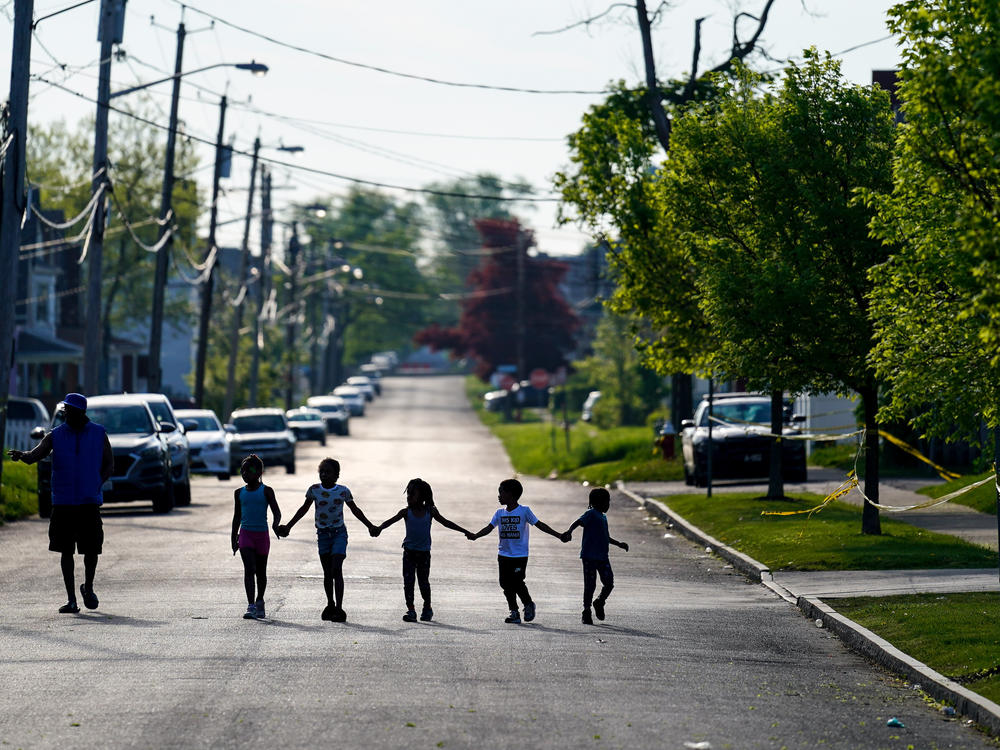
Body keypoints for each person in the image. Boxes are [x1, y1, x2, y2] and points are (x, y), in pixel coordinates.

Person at [7, 393, 113, 614]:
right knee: (66, 551)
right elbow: (35, 455)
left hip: (88, 502)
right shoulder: (55, 435)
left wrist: (96, 483)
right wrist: (22, 455)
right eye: (65, 411)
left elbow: (109, 464)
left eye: (70, 411)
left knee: (91, 550)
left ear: (81, 413)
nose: (66, 415)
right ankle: (71, 599)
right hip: (63, 502)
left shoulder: (98, 433)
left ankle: (89, 588)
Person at [277, 457, 375, 622]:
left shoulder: (343, 491)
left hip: (339, 534)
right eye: (321, 471)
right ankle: (330, 604)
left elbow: (355, 510)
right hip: (323, 536)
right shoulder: (314, 490)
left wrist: (370, 526)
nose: (324, 474)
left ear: (337, 475)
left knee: (337, 569)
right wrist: (289, 526)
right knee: (328, 573)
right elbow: (303, 509)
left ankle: (339, 608)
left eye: (328, 472)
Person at [371, 478, 471, 623]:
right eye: (408, 494)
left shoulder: (430, 511)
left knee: (423, 581)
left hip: (424, 553)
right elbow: (389, 522)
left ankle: (427, 608)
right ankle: (411, 610)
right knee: (409, 581)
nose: (409, 497)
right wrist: (378, 528)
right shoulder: (406, 512)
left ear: (423, 496)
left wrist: (465, 531)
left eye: (412, 494)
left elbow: (446, 522)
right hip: (409, 552)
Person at [467, 478, 564, 624]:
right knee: (505, 583)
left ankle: (528, 604)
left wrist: (559, 535)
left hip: (520, 556)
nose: (498, 496)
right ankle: (514, 612)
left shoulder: (525, 511)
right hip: (503, 555)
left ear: (511, 494)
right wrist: (476, 535)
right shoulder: (499, 513)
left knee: (517, 581)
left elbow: (540, 525)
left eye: (501, 492)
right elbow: (489, 528)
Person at [563, 487, 629, 625]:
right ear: (597, 502)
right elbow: (578, 522)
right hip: (589, 557)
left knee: (609, 583)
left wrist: (619, 544)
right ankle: (586, 611)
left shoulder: (603, 517)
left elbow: (606, 537)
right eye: (607, 502)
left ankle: (599, 602)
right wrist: (569, 531)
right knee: (590, 585)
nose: (608, 505)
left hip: (603, 557)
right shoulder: (591, 514)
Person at [230, 454, 282, 620]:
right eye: (243, 470)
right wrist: (233, 537)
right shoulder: (239, 493)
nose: (245, 473)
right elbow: (237, 516)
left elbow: (276, 512)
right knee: (249, 569)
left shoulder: (266, 491)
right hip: (245, 535)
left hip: (262, 536)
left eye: (250, 470)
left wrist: (275, 525)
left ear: (259, 472)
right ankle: (251, 605)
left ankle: (260, 601)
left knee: (261, 571)